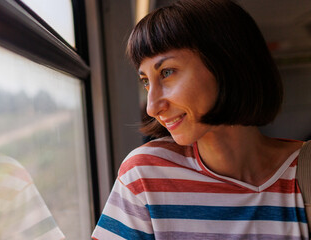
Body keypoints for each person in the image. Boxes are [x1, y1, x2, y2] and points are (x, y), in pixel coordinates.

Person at [91, 0, 309, 239]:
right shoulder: (144, 176)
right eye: (146, 81)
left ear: (227, 64)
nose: (153, 107)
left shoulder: (306, 172)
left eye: (167, 72)